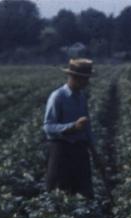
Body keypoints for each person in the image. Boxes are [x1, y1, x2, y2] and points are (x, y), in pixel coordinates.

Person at [43, 58, 97, 199]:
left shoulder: (81, 97)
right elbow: (48, 127)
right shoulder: (58, 97)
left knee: (84, 193)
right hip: (61, 151)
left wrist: (94, 149)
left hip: (79, 150)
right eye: (85, 79)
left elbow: (86, 126)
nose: (87, 83)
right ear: (74, 77)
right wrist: (72, 127)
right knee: (59, 193)